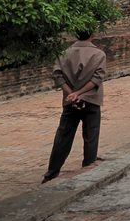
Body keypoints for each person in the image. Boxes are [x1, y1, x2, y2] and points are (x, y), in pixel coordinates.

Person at [42, 28, 106, 183]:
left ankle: (51, 173)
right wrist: (80, 93)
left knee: (63, 136)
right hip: (91, 100)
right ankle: (88, 168)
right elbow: (97, 78)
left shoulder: (64, 52)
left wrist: (71, 93)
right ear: (93, 35)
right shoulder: (99, 54)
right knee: (91, 136)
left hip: (70, 101)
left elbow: (57, 75)